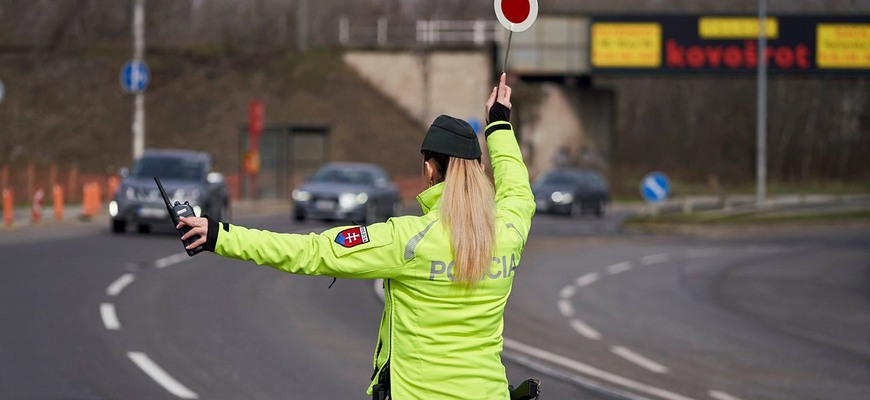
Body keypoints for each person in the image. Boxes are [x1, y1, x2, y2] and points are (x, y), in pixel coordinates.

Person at [176, 73, 535, 400]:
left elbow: (311, 252)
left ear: (429, 170)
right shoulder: (508, 230)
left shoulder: (408, 238)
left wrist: (219, 236)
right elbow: (517, 188)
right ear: (476, 169)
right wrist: (499, 125)